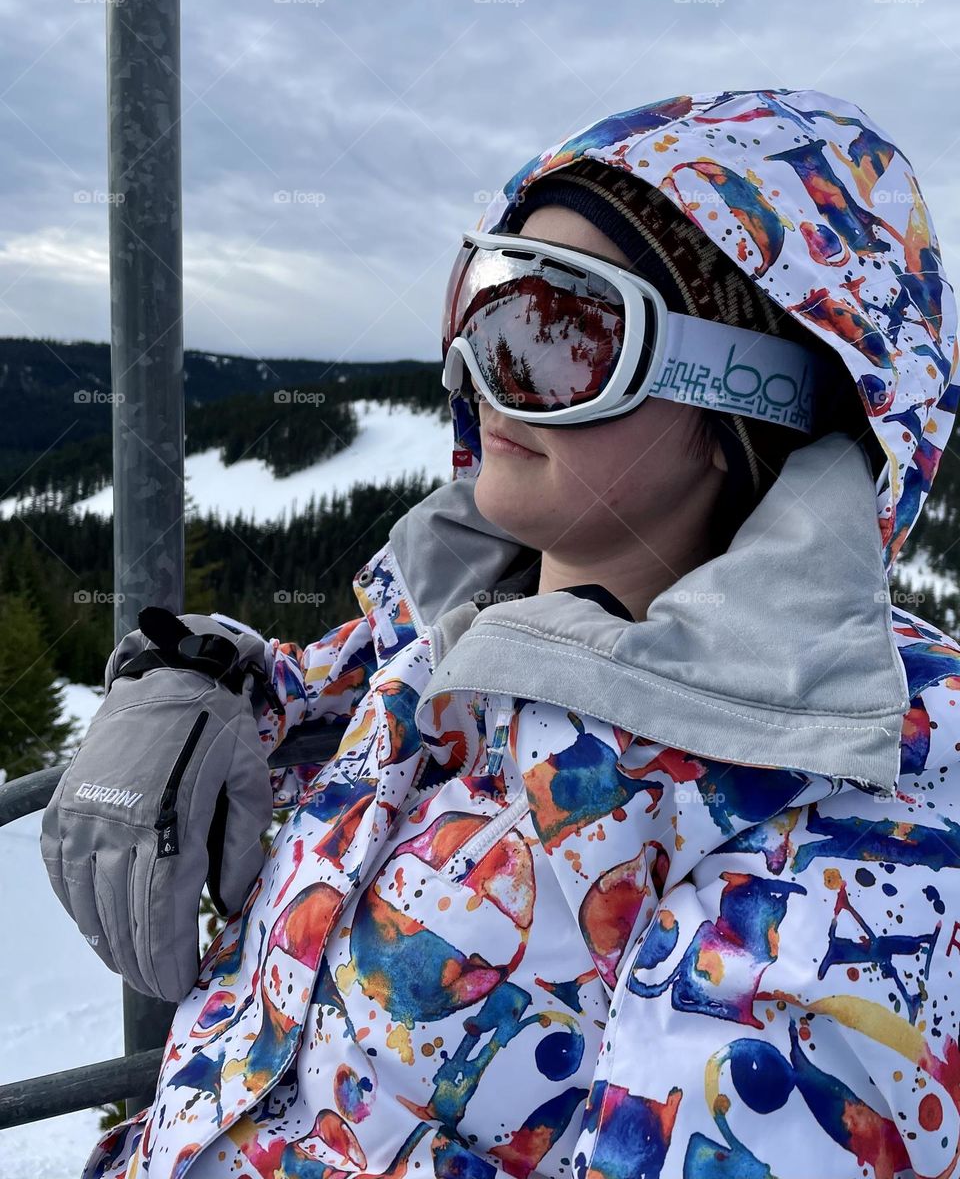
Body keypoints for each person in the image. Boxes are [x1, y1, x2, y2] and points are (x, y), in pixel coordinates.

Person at [75, 87, 960, 1179]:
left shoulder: (862, 826)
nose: (477, 356)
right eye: (486, 294)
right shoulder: (464, 620)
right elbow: (322, 681)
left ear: (756, 395)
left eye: (565, 327)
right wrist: (189, 675)